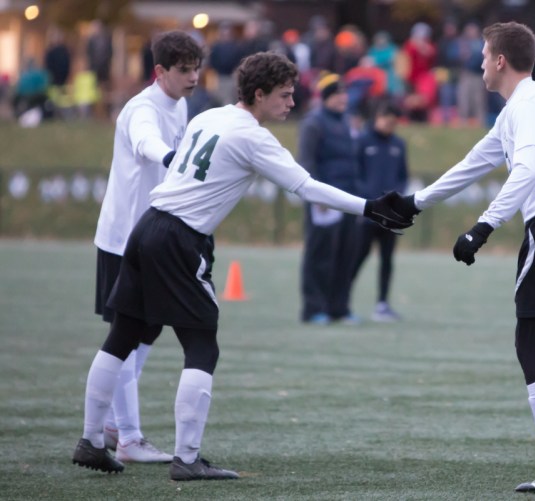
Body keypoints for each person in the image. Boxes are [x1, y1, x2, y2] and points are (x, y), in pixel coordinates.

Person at [71, 51, 412, 480]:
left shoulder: (207, 116)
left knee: (122, 335)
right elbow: (305, 186)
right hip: (179, 239)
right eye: (285, 96)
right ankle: (187, 459)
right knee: (202, 345)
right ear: (258, 94)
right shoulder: (253, 137)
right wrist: (369, 207)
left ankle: (89, 440)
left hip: (147, 228)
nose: (291, 103)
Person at [391, 22, 535, 494]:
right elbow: (475, 162)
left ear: (501, 60)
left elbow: (525, 169)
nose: (481, 62)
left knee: (531, 347)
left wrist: (482, 227)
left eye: (485, 55)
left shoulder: (527, 104)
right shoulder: (520, 108)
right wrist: (415, 203)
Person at [89, 30, 204, 464]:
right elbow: (145, 142)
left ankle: (115, 425)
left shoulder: (182, 104)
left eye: (196, 68)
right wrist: (174, 159)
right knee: (127, 335)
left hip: (155, 238)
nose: (193, 77)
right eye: (184, 70)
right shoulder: (142, 108)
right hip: (124, 240)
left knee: (145, 333)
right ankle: (129, 436)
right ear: (161, 72)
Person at [298, 73, 361, 325]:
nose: (343, 98)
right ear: (325, 98)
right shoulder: (314, 123)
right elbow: (307, 160)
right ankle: (314, 308)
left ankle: (339, 307)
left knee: (347, 254)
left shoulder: (347, 121)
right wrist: (316, 196)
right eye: (337, 94)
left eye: (344, 93)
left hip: (348, 197)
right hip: (324, 199)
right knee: (320, 253)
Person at [351, 102, 409, 322]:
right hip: (368, 213)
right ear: (378, 117)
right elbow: (356, 174)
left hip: (390, 216)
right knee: (358, 257)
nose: (390, 126)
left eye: (394, 123)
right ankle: (342, 302)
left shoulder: (398, 144)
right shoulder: (362, 142)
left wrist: (396, 197)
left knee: (387, 259)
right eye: (388, 121)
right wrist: (369, 199)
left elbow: (403, 175)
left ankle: (382, 305)